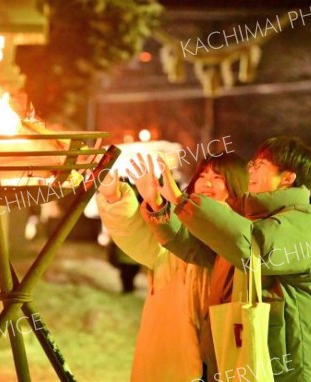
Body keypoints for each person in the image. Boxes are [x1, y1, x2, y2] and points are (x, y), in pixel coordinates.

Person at [138, 136, 311, 381]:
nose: (251, 169)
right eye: (252, 164)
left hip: (285, 367)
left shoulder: (306, 219)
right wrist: (158, 205)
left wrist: (182, 200)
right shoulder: (247, 218)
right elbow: (198, 248)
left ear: (288, 177)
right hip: (239, 356)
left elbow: (255, 249)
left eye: (262, 165)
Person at [97, 153, 248, 382]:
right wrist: (114, 197)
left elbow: (210, 244)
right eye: (203, 175)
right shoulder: (174, 222)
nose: (207, 183)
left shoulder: (242, 232)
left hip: (221, 352)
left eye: (218, 177)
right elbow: (137, 235)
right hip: (170, 353)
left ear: (238, 183)